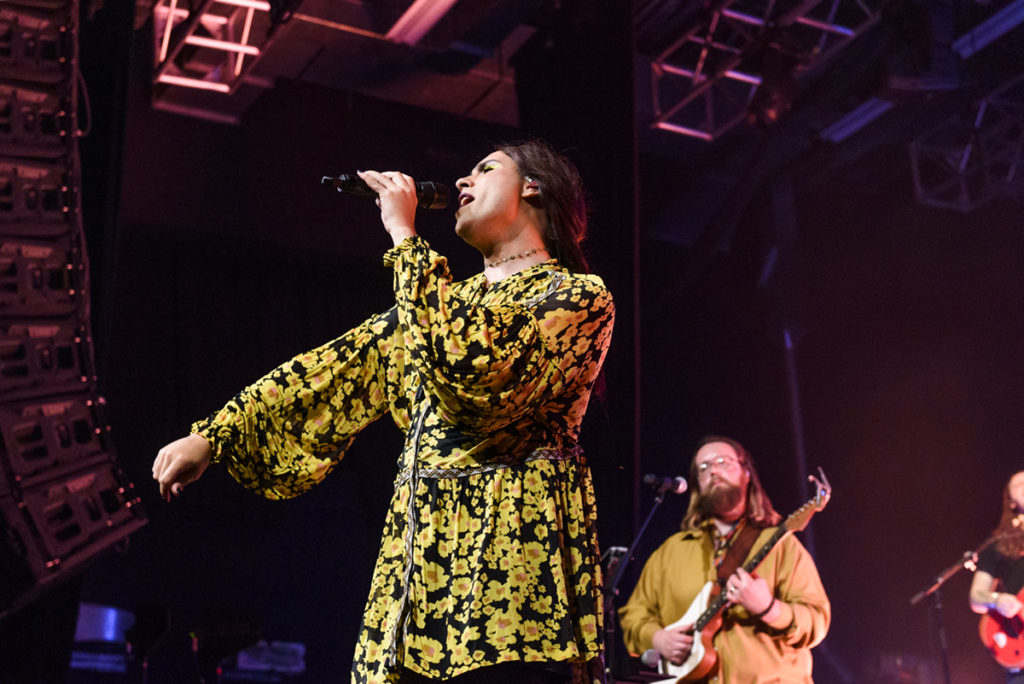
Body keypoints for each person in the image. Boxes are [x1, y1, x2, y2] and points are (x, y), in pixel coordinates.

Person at [151, 140, 615, 684]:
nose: (463, 183)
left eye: (484, 169)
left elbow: (474, 374)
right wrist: (216, 436)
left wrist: (404, 236)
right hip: (420, 570)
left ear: (533, 188)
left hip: (512, 570)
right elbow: (334, 369)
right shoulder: (440, 304)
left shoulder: (577, 297)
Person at [618, 435, 830, 683]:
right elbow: (633, 616)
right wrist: (658, 639)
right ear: (697, 484)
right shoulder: (669, 553)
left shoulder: (783, 546)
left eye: (724, 462)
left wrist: (769, 608)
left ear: (746, 473)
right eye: (704, 467)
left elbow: (817, 619)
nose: (714, 471)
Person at [969, 470, 1024, 683]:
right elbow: (976, 597)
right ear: (1010, 501)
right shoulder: (998, 546)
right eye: (1019, 483)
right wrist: (997, 600)